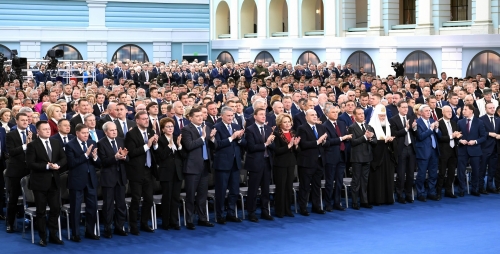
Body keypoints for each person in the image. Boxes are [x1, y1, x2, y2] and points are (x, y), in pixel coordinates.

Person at [26, 120, 66, 247]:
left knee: (55, 209)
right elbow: (30, 164)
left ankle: (54, 235)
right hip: (39, 183)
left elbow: (63, 158)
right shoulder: (33, 145)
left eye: (48, 129)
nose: (48, 131)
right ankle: (43, 237)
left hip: (54, 181)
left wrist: (58, 165)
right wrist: (47, 167)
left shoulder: (55, 142)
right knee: (41, 211)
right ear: (38, 131)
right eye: (44, 129)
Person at [65, 123, 101, 242]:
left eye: (87, 133)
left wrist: (95, 157)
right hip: (77, 180)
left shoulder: (92, 143)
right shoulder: (70, 145)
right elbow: (71, 164)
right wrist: (86, 155)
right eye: (84, 133)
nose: (86, 135)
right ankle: (75, 234)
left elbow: (99, 164)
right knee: (75, 209)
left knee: (92, 207)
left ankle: (90, 231)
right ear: (77, 133)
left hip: (91, 180)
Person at [181, 106, 216, 229]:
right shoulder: (186, 130)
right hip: (192, 167)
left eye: (201, 116)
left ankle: (202, 218)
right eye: (197, 116)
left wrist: (211, 138)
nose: (200, 118)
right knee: (191, 196)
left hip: (205, 166)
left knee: (202, 195)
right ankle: (189, 220)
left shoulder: (206, 127)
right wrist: (202, 137)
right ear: (191, 118)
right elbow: (189, 145)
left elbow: (211, 147)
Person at [125, 110, 158, 235]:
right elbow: (132, 153)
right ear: (137, 120)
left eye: (147, 119)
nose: (146, 121)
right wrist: (147, 145)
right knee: (136, 200)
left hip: (148, 170)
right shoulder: (131, 134)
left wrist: (154, 145)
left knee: (149, 199)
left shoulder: (151, 132)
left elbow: (155, 151)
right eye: (143, 119)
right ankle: (133, 226)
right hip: (136, 171)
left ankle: (144, 223)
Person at [212, 106, 246, 224]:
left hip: (235, 163)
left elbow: (244, 143)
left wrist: (240, 138)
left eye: (232, 116)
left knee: (234, 191)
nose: (231, 118)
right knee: (221, 191)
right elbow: (217, 144)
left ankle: (231, 213)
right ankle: (220, 215)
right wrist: (232, 138)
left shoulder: (236, 126)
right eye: (228, 116)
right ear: (222, 116)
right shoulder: (217, 127)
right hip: (222, 164)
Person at [97, 122, 129, 238]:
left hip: (120, 177)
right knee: (108, 205)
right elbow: (103, 162)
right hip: (108, 178)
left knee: (121, 204)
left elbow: (127, 156)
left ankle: (119, 227)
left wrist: (124, 157)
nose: (114, 132)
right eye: (111, 130)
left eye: (115, 129)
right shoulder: (101, 143)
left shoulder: (121, 140)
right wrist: (115, 157)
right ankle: (107, 228)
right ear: (106, 132)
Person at [153, 118, 185, 230]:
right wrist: (169, 146)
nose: (170, 128)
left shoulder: (177, 138)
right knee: (167, 198)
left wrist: (179, 146)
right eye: (167, 126)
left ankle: (174, 221)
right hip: (165, 173)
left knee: (175, 198)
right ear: (162, 129)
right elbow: (160, 157)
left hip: (177, 173)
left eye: (172, 126)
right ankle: (166, 222)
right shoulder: (160, 140)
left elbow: (183, 156)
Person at [296, 109, 329, 215]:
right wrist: (318, 141)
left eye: (316, 115)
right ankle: (303, 208)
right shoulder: (302, 128)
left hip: (319, 161)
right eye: (312, 115)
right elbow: (303, 144)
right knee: (305, 186)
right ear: (306, 117)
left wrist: (323, 142)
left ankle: (316, 206)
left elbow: (325, 143)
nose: (315, 116)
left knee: (317, 186)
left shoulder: (321, 127)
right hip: (307, 162)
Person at [244, 108, 275, 222]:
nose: (263, 116)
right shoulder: (250, 130)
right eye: (261, 114)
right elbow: (251, 147)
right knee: (253, 189)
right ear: (255, 117)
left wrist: (270, 143)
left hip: (267, 162)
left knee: (265, 189)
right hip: (255, 163)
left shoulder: (268, 129)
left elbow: (273, 146)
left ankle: (265, 211)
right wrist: (266, 143)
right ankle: (251, 212)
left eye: (264, 115)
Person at [4, 113, 30, 233]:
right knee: (13, 198)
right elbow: (11, 152)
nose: (25, 122)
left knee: (32, 197)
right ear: (17, 121)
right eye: (23, 120)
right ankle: (10, 223)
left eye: (27, 120)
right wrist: (25, 146)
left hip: (29, 170)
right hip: (15, 171)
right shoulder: (10, 135)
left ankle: (31, 221)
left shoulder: (32, 134)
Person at [367, 105, 396, 205]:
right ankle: (376, 199)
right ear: (376, 116)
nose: (383, 118)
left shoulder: (388, 125)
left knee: (387, 176)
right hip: (377, 156)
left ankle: (387, 199)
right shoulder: (371, 126)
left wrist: (390, 140)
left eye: (384, 116)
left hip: (387, 155)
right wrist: (383, 141)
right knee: (377, 178)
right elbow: (372, 142)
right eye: (380, 116)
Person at [323, 106, 351, 211]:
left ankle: (337, 202)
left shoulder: (342, 124)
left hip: (342, 155)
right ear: (327, 114)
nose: (335, 114)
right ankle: (328, 204)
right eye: (333, 112)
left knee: (339, 181)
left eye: (336, 112)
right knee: (330, 181)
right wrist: (341, 139)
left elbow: (345, 137)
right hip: (331, 156)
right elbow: (327, 142)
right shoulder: (324, 126)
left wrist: (346, 138)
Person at [389, 101, 417, 204]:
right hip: (401, 149)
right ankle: (400, 195)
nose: (406, 109)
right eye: (404, 107)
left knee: (410, 174)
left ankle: (409, 194)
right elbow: (394, 134)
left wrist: (414, 128)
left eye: (407, 107)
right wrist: (406, 129)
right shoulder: (393, 120)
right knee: (401, 174)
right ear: (398, 108)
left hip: (411, 148)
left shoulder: (411, 117)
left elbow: (415, 134)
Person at [349, 107, 377, 210]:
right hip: (357, 158)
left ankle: (364, 201)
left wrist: (370, 138)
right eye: (359, 114)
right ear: (355, 116)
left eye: (363, 114)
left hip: (367, 157)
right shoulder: (352, 127)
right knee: (356, 181)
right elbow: (353, 142)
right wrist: (365, 137)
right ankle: (355, 202)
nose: (362, 115)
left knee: (365, 180)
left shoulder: (368, 127)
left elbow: (375, 142)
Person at [273, 113, 300, 217]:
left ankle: (288, 209)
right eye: (285, 122)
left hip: (291, 163)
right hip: (280, 164)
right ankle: (280, 210)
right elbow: (276, 150)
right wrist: (289, 145)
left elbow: (298, 151)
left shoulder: (293, 133)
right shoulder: (276, 134)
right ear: (280, 123)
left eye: (289, 122)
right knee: (281, 187)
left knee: (289, 187)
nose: (287, 124)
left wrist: (296, 146)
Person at [457, 104, 487, 196]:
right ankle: (461, 190)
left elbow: (483, 137)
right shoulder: (460, 122)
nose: (463, 111)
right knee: (461, 171)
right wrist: (460, 140)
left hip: (475, 149)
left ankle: (475, 189)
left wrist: (475, 141)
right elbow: (457, 136)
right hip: (463, 150)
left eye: (465, 109)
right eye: (463, 109)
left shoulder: (479, 122)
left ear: (471, 111)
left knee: (476, 171)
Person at [415, 105, 441, 201]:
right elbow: (420, 136)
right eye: (426, 111)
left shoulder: (432, 121)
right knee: (421, 174)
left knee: (433, 174)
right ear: (421, 113)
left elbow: (440, 136)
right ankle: (420, 193)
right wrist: (430, 129)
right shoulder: (417, 122)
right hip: (423, 151)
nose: (428, 112)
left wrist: (437, 129)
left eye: (429, 111)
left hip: (434, 151)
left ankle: (431, 192)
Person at [437, 106, 461, 198]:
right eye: (447, 111)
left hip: (453, 150)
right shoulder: (439, 123)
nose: (450, 113)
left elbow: (456, 135)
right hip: (443, 151)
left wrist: (458, 136)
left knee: (451, 173)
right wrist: (452, 136)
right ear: (443, 112)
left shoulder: (454, 123)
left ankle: (448, 191)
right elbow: (439, 138)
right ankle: (438, 192)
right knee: (442, 173)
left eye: (450, 111)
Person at [479, 102, 500, 194]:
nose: (492, 109)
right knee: (482, 169)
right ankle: (480, 187)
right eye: (490, 108)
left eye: (493, 107)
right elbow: (479, 133)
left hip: (496, 148)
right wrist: (489, 134)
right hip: (485, 148)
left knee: (492, 169)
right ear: (485, 109)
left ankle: (490, 186)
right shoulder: (481, 119)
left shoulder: (498, 119)